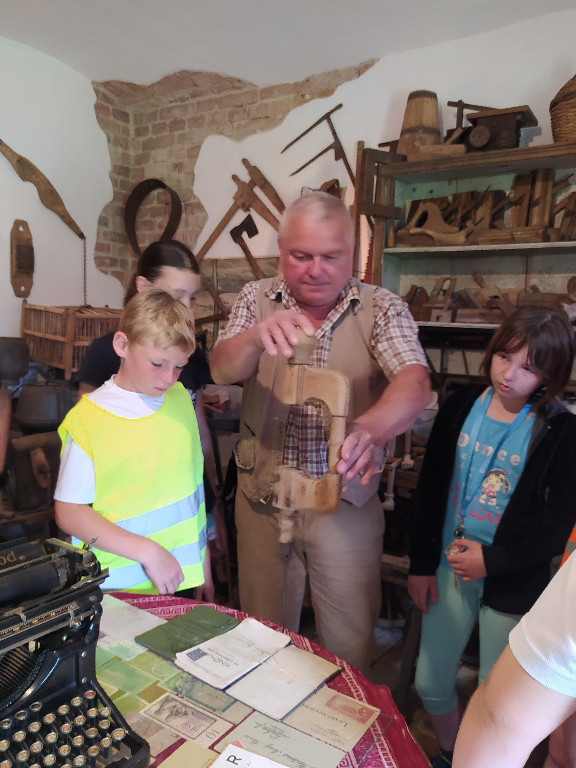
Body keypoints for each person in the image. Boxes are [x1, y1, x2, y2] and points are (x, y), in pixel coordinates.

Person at [209, 191, 431, 671]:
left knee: (349, 642)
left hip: (344, 502)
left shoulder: (382, 308)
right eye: (301, 255)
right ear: (281, 251)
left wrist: (371, 429)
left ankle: (342, 715)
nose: (315, 269)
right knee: (261, 639)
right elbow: (223, 369)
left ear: (352, 253)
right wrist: (254, 337)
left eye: (330, 256)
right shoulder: (256, 298)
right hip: (263, 498)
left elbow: (414, 381)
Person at [407, 306, 576, 768]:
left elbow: (557, 526)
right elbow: (431, 485)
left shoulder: (561, 430)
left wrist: (493, 560)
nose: (509, 374)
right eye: (504, 357)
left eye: (528, 367)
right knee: (429, 682)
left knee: (496, 699)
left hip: (512, 581)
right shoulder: (461, 404)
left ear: (550, 374)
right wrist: (420, 563)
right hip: (447, 568)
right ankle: (450, 753)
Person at [77, 240, 226, 563]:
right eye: (177, 295)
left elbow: (200, 434)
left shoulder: (191, 358)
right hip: (129, 521)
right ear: (143, 288)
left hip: (186, 511)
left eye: (193, 297)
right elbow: (90, 446)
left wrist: (213, 507)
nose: (187, 308)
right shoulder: (106, 355)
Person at [55, 289, 212, 596]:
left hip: (181, 578)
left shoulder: (180, 398)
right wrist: (148, 552)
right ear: (122, 345)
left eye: (179, 366)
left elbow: (192, 492)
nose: (169, 377)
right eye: (158, 363)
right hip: (117, 589)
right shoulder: (88, 419)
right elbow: (70, 512)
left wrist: (202, 561)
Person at [453, 550, 576, 768]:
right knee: (563, 751)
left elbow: (497, 720)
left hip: (516, 587)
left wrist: (492, 561)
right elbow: (498, 721)